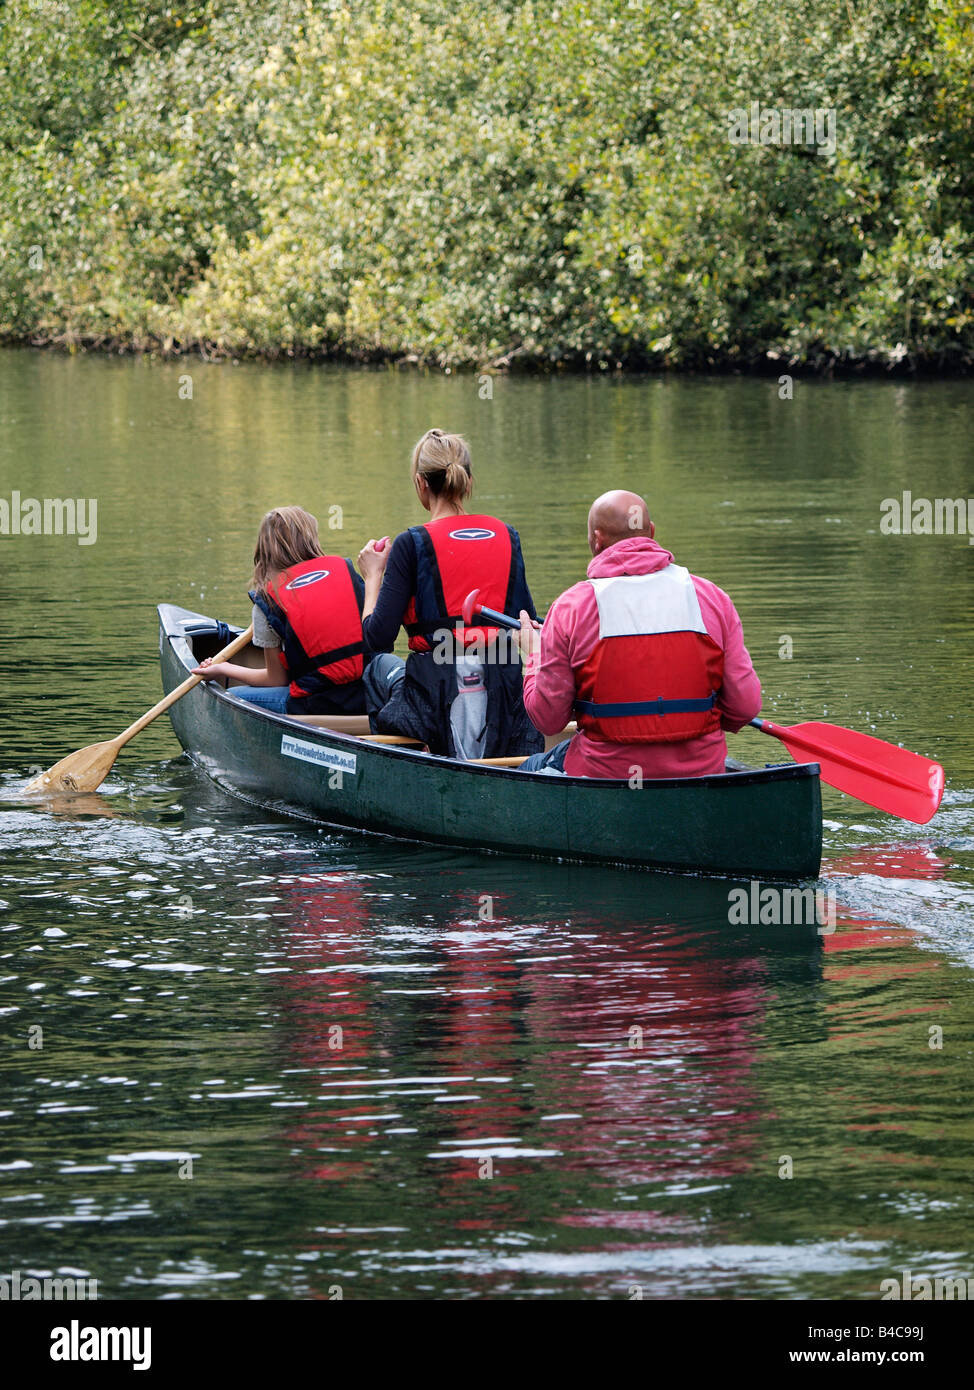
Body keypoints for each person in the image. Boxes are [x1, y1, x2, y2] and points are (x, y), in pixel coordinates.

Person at [517, 489, 761, 776]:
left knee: (531, 766)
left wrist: (535, 654)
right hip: (701, 773)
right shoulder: (712, 598)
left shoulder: (571, 607)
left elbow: (548, 720)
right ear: (652, 532)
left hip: (606, 775)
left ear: (596, 539)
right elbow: (744, 707)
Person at [357, 428, 542, 760]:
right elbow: (526, 623)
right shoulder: (507, 536)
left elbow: (377, 639)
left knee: (375, 668)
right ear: (468, 482)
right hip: (502, 682)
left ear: (420, 483)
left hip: (434, 690)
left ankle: (401, 764)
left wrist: (373, 577)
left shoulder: (410, 544)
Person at [194, 506, 379, 716]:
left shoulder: (268, 601)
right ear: (311, 540)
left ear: (263, 551)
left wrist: (223, 669)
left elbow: (276, 680)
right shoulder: (345, 572)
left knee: (235, 697)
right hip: (369, 694)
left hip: (317, 704)